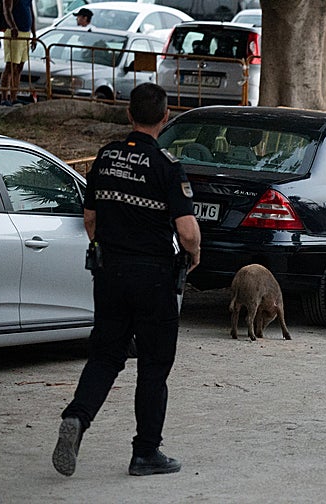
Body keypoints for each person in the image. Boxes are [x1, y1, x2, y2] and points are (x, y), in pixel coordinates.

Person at [52, 83, 201, 478]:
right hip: (153, 278)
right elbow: (187, 231)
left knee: (104, 356)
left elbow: (90, 219)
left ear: (128, 115)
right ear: (165, 118)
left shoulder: (104, 158)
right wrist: (194, 255)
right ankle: (146, 453)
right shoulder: (168, 168)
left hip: (110, 274)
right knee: (153, 366)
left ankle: (77, 418)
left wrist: (107, 249)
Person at [0, 0, 35, 106]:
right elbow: (7, 10)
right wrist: (13, 26)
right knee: (10, 65)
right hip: (14, 33)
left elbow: (31, 12)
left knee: (19, 67)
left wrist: (34, 34)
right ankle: (4, 98)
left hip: (25, 32)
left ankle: (14, 97)